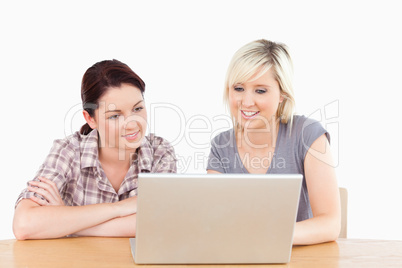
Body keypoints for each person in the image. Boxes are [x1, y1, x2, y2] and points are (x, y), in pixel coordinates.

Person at [13, 59, 177, 240]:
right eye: (115, 116)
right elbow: (24, 225)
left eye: (138, 108)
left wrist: (67, 221)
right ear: (90, 119)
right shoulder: (68, 151)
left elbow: (162, 224)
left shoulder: (160, 152)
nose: (132, 124)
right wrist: (120, 209)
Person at [207, 39, 341, 245]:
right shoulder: (220, 145)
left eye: (260, 90)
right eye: (239, 88)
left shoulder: (308, 134)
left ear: (282, 95)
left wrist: (267, 237)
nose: (246, 101)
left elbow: (330, 224)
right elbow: (214, 220)